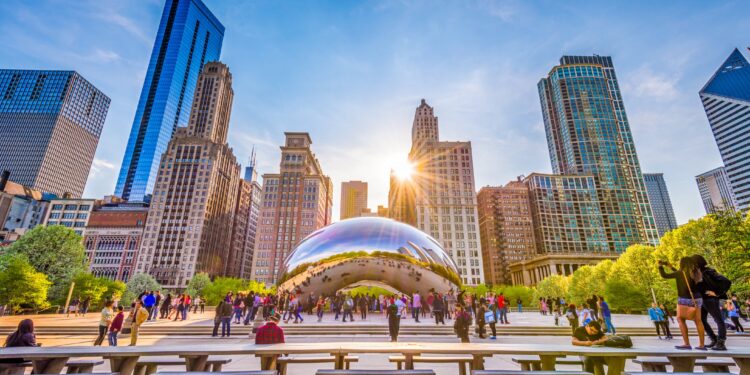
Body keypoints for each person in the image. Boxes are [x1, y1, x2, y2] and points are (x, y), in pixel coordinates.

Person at [659, 257, 706, 350]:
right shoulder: (697, 273)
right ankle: (702, 345)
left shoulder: (680, 273)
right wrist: (671, 267)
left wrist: (660, 266)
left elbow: (665, 275)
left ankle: (686, 344)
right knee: (698, 321)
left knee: (680, 319)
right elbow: (683, 276)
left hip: (684, 298)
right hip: (697, 298)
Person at [692, 254, 731, 350]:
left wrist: (717, 293)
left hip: (710, 299)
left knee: (718, 320)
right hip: (702, 300)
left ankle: (721, 343)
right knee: (700, 320)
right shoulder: (696, 273)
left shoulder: (708, 272)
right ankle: (714, 339)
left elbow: (726, 281)